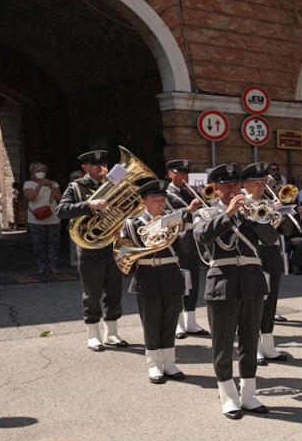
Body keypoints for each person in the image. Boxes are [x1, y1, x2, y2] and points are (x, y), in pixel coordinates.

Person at [193, 165, 270, 419]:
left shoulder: (251, 211)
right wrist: (228, 214)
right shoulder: (205, 213)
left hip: (252, 282)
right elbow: (202, 236)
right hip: (222, 282)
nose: (231, 189)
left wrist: (262, 217)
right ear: (215, 189)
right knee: (223, 345)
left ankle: (248, 394)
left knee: (250, 342)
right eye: (225, 186)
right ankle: (228, 396)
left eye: (235, 185)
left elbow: (270, 239)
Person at [57, 150, 128, 351]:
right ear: (85, 167)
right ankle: (93, 335)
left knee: (114, 289)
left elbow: (126, 210)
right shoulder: (76, 187)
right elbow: (61, 211)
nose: (100, 168)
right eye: (95, 165)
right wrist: (89, 204)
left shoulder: (113, 185)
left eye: (102, 164)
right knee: (92, 291)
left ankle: (112, 333)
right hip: (90, 247)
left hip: (112, 245)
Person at [120, 180, 187, 384]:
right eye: (155, 199)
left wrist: (182, 232)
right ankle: (154, 365)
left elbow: (185, 251)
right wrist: (157, 227)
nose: (160, 202)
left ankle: (169, 363)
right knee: (151, 322)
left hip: (171, 272)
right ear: (143, 202)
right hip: (147, 274)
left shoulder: (173, 221)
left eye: (162, 199)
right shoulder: (133, 223)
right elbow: (131, 247)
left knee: (170, 320)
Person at [241, 163, 291, 364]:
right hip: (253, 255)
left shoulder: (270, 202)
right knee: (253, 303)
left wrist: (282, 212)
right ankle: (253, 348)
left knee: (270, 302)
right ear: (246, 184)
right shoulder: (242, 204)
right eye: (257, 183)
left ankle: (268, 345)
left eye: (264, 182)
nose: (262, 186)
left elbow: (287, 231)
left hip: (271, 255)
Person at [163, 161, 208, 338]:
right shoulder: (164, 193)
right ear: (170, 174)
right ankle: (178, 323)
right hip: (177, 241)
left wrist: (200, 198)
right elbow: (165, 216)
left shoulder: (191, 191)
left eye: (186, 173)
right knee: (179, 282)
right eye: (180, 173)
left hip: (193, 240)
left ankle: (191, 320)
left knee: (194, 281)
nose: (184, 177)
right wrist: (188, 209)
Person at [23, 161, 63, 275]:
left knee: (53, 244)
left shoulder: (53, 183)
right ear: (33, 172)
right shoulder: (28, 184)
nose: (41, 173)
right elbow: (30, 197)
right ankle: (41, 266)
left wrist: (50, 186)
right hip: (35, 219)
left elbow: (59, 197)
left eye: (43, 171)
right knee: (38, 244)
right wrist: (39, 186)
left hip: (53, 218)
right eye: (38, 171)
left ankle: (53, 266)